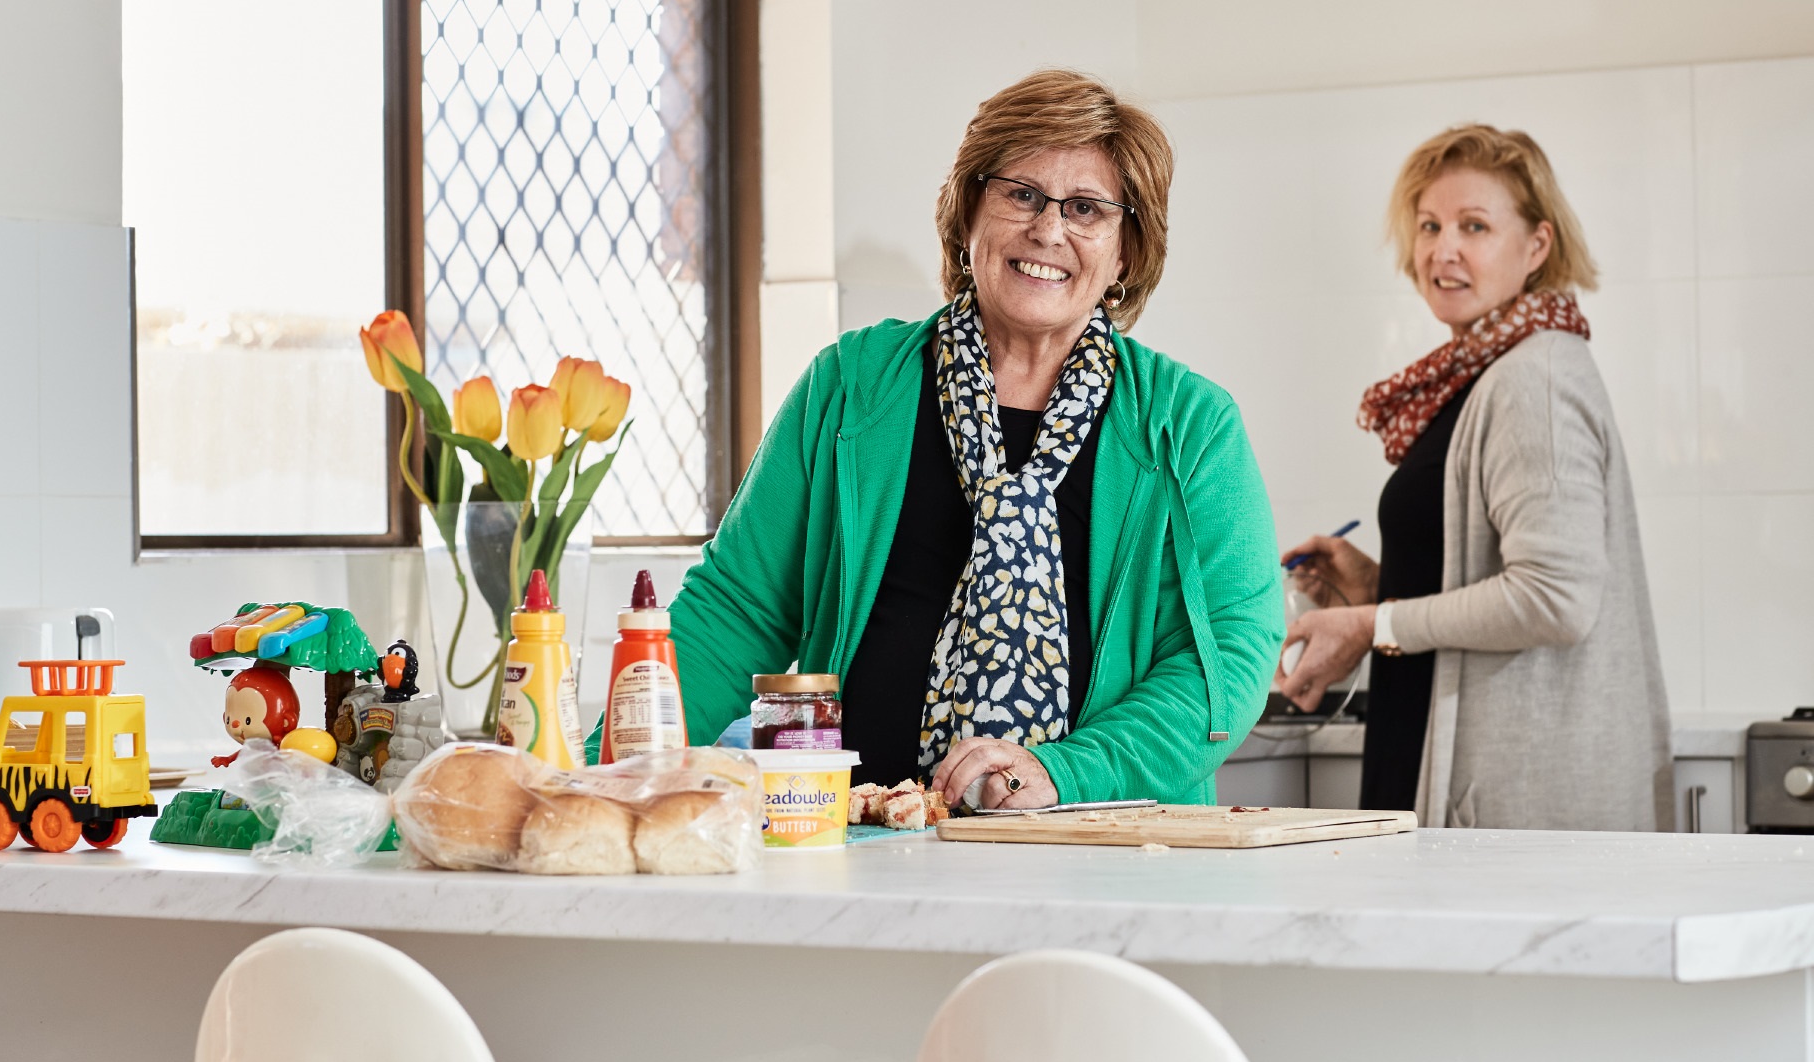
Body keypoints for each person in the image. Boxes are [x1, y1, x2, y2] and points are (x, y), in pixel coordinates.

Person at [662, 69, 1283, 809]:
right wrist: (611, 762)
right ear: (967, 215)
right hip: (864, 837)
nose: (1047, 229)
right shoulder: (850, 386)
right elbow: (734, 612)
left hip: (1110, 849)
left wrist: (1065, 771)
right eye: (1020, 193)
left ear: (1125, 250)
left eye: (1085, 208)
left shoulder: (1189, 425)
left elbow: (1226, 659)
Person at [1278, 125, 1671, 830]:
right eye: (1428, 225)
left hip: (1517, 795)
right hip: (1447, 754)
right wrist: (1375, 585)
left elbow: (1554, 597)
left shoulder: (1534, 376)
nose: (1442, 248)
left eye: (1474, 225)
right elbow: (1486, 581)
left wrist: (1374, 622)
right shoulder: (1481, 374)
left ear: (1536, 247)